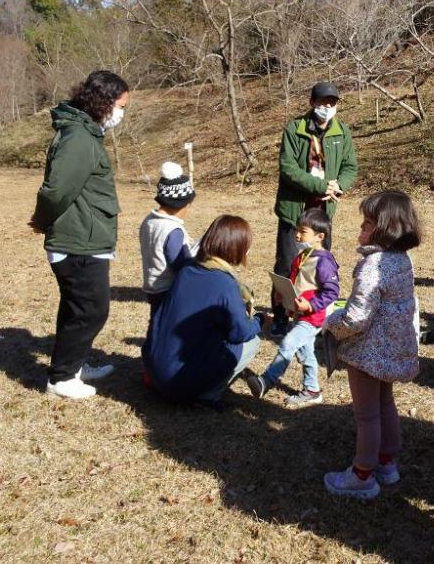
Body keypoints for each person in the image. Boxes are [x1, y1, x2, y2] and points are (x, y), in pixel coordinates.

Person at [29, 70, 129, 400]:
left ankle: (72, 365)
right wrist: (42, 221)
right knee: (91, 309)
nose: (121, 113)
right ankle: (61, 379)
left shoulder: (85, 133)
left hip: (85, 236)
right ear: (104, 102)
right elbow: (57, 190)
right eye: (120, 105)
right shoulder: (79, 139)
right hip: (77, 241)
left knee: (76, 307)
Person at [322, 191, 421, 499]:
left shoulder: (372, 265)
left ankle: (362, 474)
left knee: (367, 415)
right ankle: (386, 462)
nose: (360, 230)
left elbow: (356, 317)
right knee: (384, 404)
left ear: (384, 229)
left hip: (368, 353)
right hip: (390, 350)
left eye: (366, 224)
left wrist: (330, 322)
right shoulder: (401, 260)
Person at [143, 215, 263, 405]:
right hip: (178, 382)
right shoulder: (225, 284)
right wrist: (259, 321)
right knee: (252, 341)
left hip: (153, 371)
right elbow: (240, 333)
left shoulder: (187, 270)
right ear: (237, 247)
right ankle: (207, 394)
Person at [272, 81, 358, 337]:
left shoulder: (342, 132)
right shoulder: (295, 129)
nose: (327, 107)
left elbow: (350, 166)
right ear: (312, 103)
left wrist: (339, 186)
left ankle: (314, 317)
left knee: (321, 267)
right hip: (294, 209)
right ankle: (280, 316)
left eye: (332, 103)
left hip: (323, 213)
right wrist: (320, 185)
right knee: (287, 265)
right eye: (322, 102)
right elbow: (288, 168)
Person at [249, 208, 339, 408]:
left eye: (303, 231)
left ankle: (266, 381)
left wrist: (311, 305)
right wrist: (283, 293)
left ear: (320, 236)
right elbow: (295, 280)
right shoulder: (303, 255)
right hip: (299, 315)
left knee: (288, 343)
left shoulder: (323, 262)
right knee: (305, 353)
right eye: (297, 230)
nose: (297, 235)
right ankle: (312, 390)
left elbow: (332, 291)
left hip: (313, 318)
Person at [139, 162, 197, 320]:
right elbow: (180, 263)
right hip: (168, 288)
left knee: (156, 324)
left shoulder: (149, 220)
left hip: (153, 286)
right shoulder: (173, 230)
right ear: (180, 204)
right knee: (165, 328)